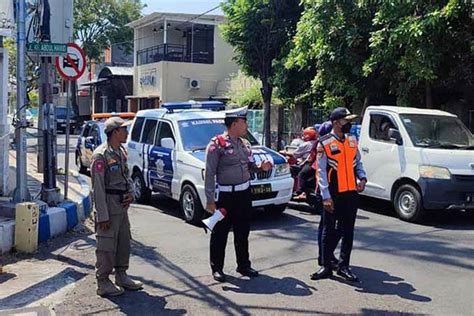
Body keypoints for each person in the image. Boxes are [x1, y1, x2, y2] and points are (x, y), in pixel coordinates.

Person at [204, 106, 272, 283]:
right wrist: (210, 200)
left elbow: (249, 165)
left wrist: (260, 167)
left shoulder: (244, 143)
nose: (246, 125)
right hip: (225, 196)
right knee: (220, 233)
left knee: (243, 232)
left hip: (244, 194)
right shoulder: (216, 144)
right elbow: (210, 173)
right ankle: (217, 268)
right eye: (244, 121)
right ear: (234, 123)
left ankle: (243, 265)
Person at [311, 107, 367, 282]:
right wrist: (326, 196)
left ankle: (344, 266)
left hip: (350, 192)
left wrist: (362, 178)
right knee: (328, 230)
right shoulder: (324, 143)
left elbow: (357, 162)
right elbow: (321, 171)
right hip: (333, 193)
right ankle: (326, 266)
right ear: (336, 123)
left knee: (347, 230)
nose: (349, 124)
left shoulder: (352, 140)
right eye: (346, 121)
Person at [91, 117, 143, 297]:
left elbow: (125, 175)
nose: (127, 133)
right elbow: (98, 187)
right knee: (106, 244)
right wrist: (102, 215)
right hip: (109, 204)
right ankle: (103, 281)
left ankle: (121, 275)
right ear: (114, 132)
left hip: (121, 205)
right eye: (124, 130)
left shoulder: (120, 151)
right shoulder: (101, 155)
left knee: (123, 241)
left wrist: (130, 193)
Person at [280, 127, 318, 200]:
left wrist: (283, 152)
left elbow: (295, 155)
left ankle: (300, 191)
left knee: (295, 171)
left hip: (308, 164)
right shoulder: (316, 142)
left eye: (304, 134)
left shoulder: (306, 144)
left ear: (307, 135)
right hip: (311, 163)